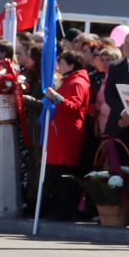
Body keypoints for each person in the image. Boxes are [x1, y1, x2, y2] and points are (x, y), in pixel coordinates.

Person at [41, 49, 91, 220]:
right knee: (57, 174)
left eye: (61, 63)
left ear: (71, 65)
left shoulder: (77, 82)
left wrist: (56, 97)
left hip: (67, 133)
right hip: (61, 132)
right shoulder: (70, 80)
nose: (57, 66)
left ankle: (64, 211)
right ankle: (58, 209)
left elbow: (74, 106)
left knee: (64, 175)